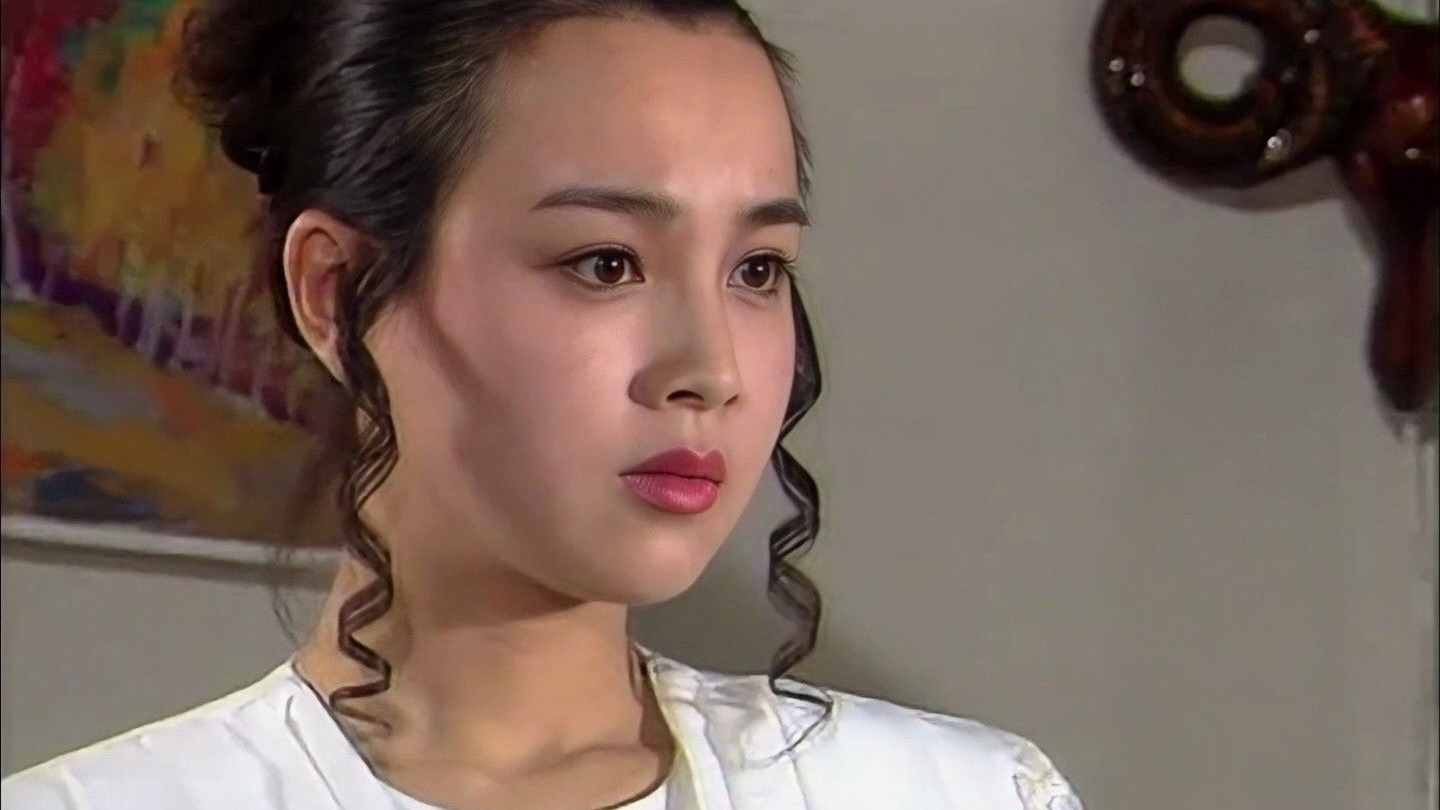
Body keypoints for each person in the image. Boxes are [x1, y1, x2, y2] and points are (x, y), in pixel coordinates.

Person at [1, 1, 1085, 808]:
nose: (711, 368)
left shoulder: (959, 795)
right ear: (338, 293)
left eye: (756, 269)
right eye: (606, 262)